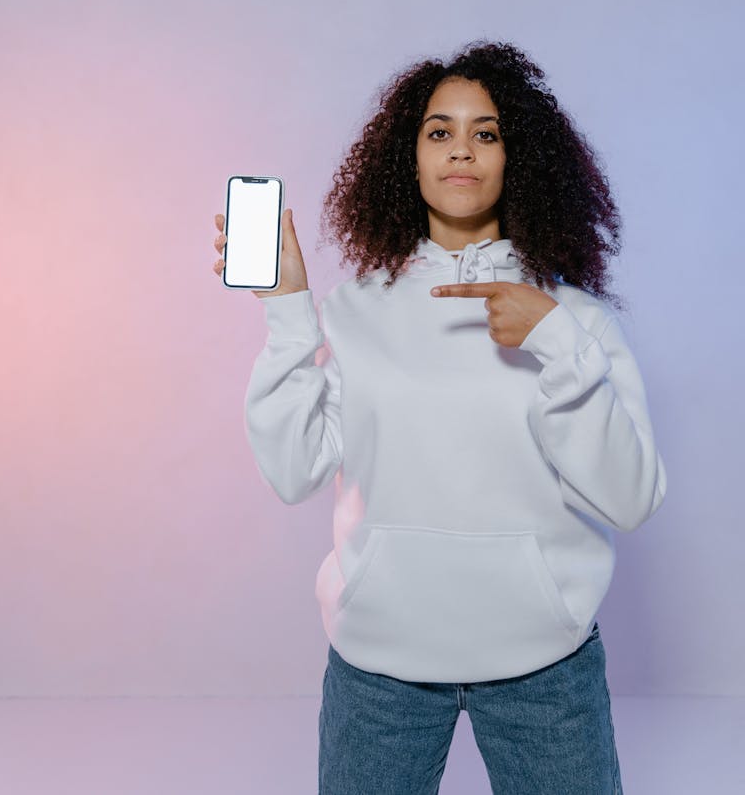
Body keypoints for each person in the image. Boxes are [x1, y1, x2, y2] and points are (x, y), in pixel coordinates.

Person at [213, 39, 667, 795]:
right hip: (381, 669)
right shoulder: (354, 311)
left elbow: (633, 497)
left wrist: (554, 338)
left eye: (486, 132)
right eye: (439, 131)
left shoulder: (574, 319)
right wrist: (290, 310)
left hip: (543, 667)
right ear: (408, 157)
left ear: (518, 156)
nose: (462, 150)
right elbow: (293, 473)